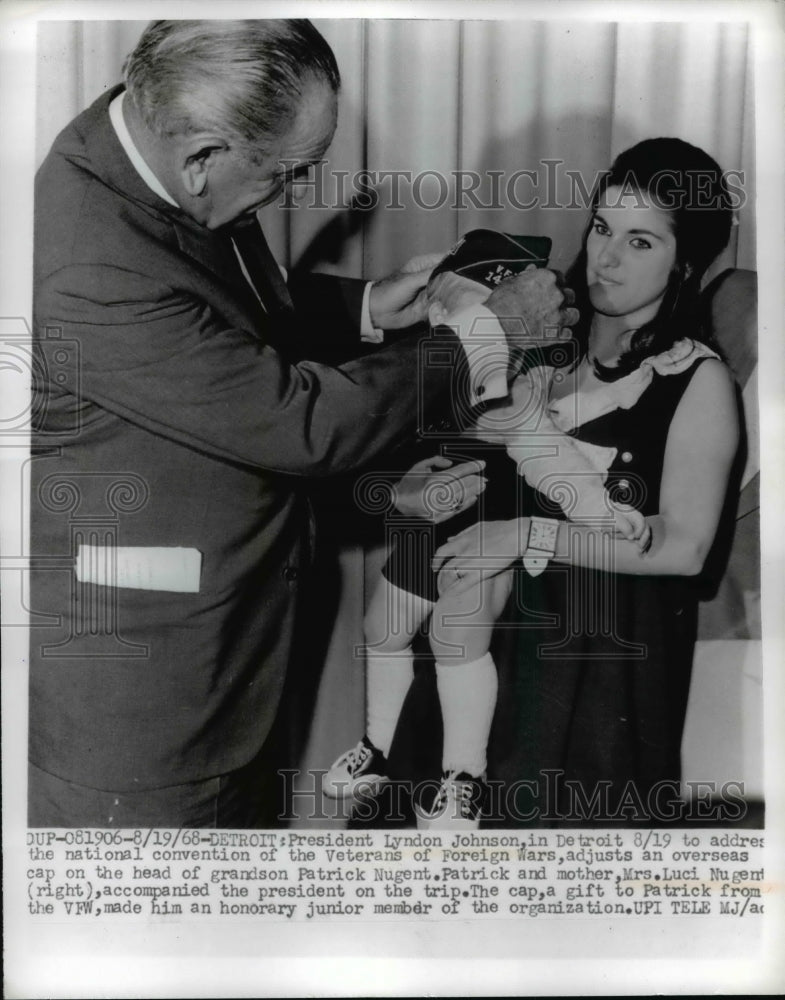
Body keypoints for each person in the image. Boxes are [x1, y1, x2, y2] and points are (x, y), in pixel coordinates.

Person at [29, 19, 577, 828]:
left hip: (227, 649)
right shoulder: (88, 261)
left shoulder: (149, 142)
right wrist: (484, 334)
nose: (289, 197)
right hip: (149, 708)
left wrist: (359, 305)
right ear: (203, 157)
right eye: (286, 176)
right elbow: (303, 424)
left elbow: (207, 307)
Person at [347, 137, 740, 828]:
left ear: (684, 261)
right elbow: (443, 435)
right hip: (477, 640)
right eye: (600, 228)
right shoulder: (537, 330)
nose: (605, 258)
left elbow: (684, 548)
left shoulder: (695, 379)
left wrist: (525, 533)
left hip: (588, 668)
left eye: (640, 242)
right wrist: (415, 483)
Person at [322, 233, 652, 829]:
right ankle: (377, 748)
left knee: (456, 631)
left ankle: (460, 777)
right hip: (432, 510)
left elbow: (548, 456)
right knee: (383, 627)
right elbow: (378, 439)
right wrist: (398, 485)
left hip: (492, 515)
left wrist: (603, 512)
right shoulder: (425, 370)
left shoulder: (524, 388)